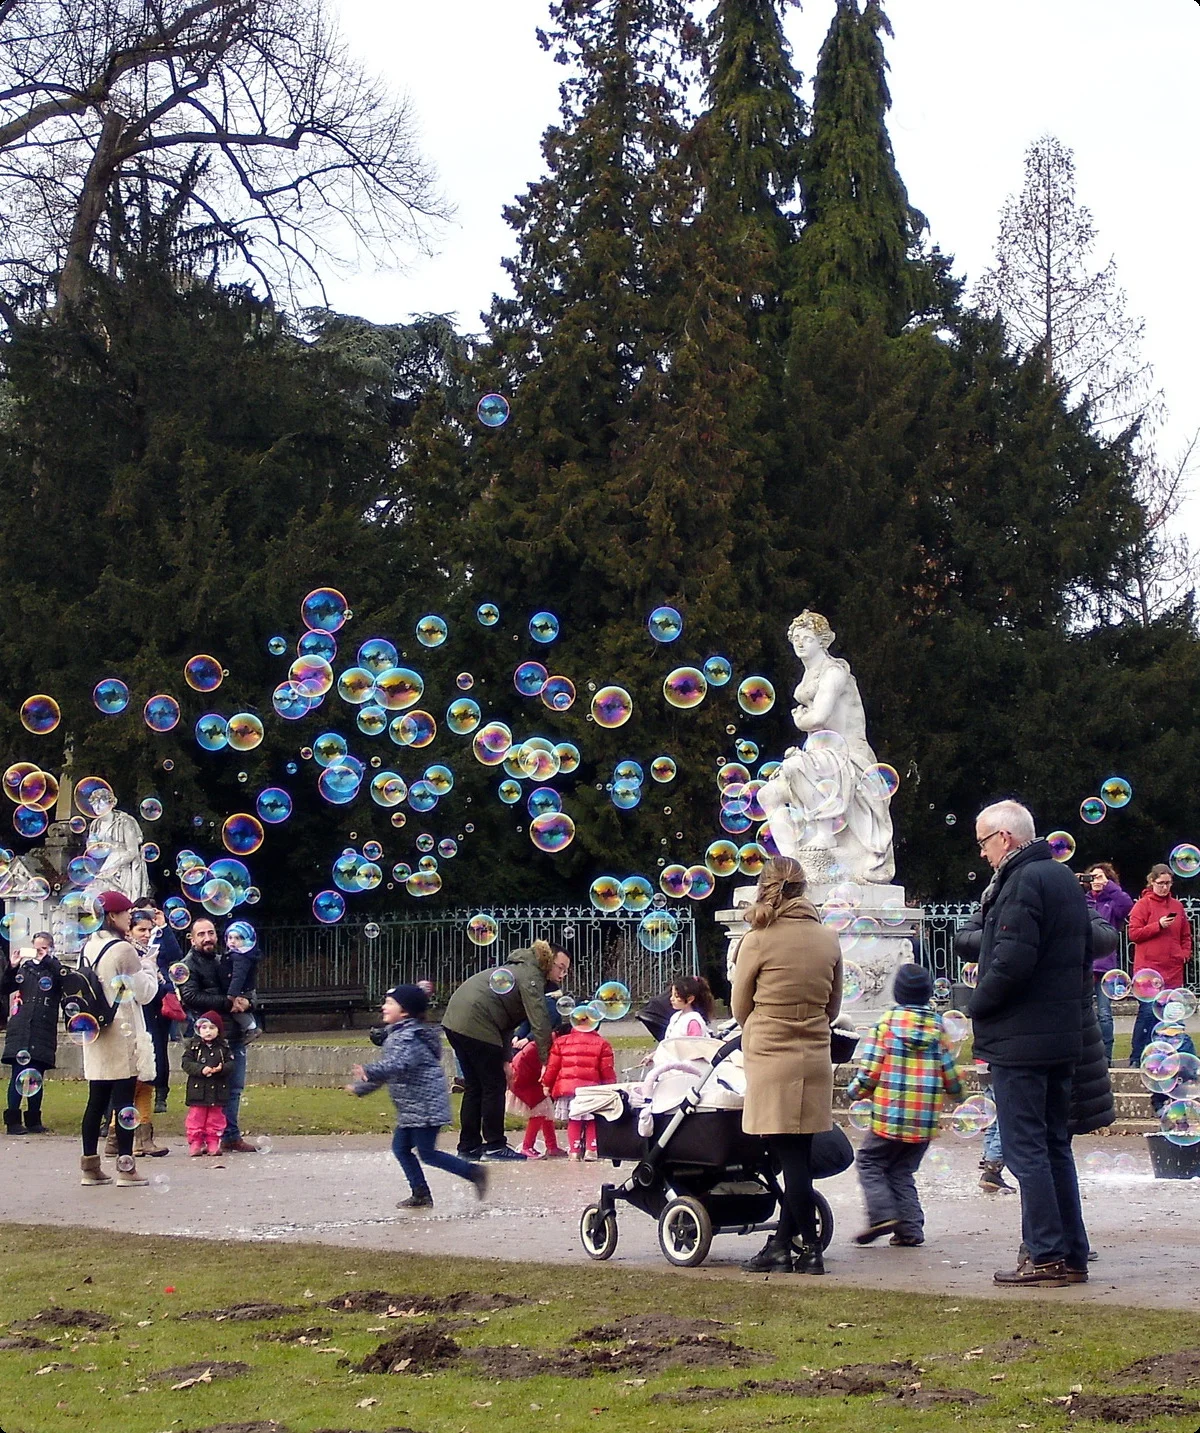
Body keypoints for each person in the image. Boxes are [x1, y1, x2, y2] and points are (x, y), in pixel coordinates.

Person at [969, 800, 1091, 1288]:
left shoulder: (1021, 881)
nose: (981, 853)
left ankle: (1043, 1253)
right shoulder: (1061, 877)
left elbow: (1012, 962)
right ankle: (1072, 1253)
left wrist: (977, 1002)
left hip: (1021, 1036)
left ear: (1005, 837)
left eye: (983, 842)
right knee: (1055, 1144)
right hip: (1060, 1032)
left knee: (1024, 1149)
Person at [730, 855, 842, 1275]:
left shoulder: (757, 940)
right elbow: (833, 1007)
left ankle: (809, 1248)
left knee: (787, 1156)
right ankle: (781, 1244)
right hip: (814, 1053)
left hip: (770, 1052)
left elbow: (741, 1006)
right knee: (800, 1151)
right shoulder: (828, 938)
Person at [758, 611, 895, 882]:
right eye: (796, 638)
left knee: (795, 765)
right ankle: (794, 870)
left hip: (847, 754)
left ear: (822, 641)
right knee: (767, 796)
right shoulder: (811, 674)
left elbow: (818, 717)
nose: (799, 643)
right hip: (821, 753)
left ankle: (825, 833)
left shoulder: (834, 672)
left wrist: (800, 719)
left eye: (807, 638)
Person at [847, 963, 963, 1247]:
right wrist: (958, 1093)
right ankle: (910, 1229)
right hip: (923, 1120)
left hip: (890, 1115)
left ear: (897, 993)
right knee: (901, 1170)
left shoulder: (886, 1026)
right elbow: (950, 1074)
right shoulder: (939, 1029)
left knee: (869, 1161)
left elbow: (871, 1070)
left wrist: (855, 1092)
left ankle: (881, 1215)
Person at [348, 984, 488, 1207]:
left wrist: (369, 1071)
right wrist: (361, 1087)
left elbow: (397, 1065)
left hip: (425, 1107)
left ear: (404, 1012)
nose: (384, 1007)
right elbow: (391, 1073)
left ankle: (473, 1172)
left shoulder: (407, 1037)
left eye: (389, 1003)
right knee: (401, 1148)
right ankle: (421, 1193)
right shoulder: (399, 1035)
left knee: (427, 1153)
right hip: (413, 1108)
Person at [442, 940, 567, 1161]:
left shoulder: (518, 969)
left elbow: (506, 1022)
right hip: (477, 1022)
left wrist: (506, 1059)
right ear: (548, 961)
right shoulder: (531, 976)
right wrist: (547, 1061)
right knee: (494, 1086)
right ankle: (494, 1146)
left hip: (455, 1022)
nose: (563, 974)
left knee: (475, 1086)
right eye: (561, 967)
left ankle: (468, 1146)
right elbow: (540, 1021)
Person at [78, 891, 158, 1188]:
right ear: (112, 916)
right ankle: (126, 1167)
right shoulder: (124, 949)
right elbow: (146, 993)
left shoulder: (90, 945)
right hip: (120, 1030)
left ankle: (90, 1167)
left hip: (95, 1030)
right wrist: (149, 964)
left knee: (96, 1100)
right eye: (127, 913)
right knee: (124, 1101)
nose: (131, 918)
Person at [177, 918, 257, 1153]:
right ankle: (204, 1138)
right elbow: (191, 997)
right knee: (207, 1091)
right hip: (205, 1038)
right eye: (201, 934)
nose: (207, 938)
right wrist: (228, 1002)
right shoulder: (188, 965)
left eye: (211, 933)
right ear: (192, 939)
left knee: (234, 1087)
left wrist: (247, 1003)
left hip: (233, 1034)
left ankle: (230, 1135)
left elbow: (247, 990)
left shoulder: (227, 960)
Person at [1127, 864, 1191, 1068]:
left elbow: (1186, 935)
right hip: (1148, 971)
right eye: (1161, 883)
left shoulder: (1177, 906)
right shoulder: (1142, 905)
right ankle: (1138, 1056)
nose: (1164, 887)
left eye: (1168, 883)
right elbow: (1134, 934)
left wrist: (1184, 953)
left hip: (1172, 969)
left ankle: (1172, 1057)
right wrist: (1158, 925)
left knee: (1172, 1015)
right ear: (1151, 882)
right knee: (1147, 1014)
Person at [2, 933, 62, 1135]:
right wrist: (12, 967)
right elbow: (4, 987)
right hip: (21, 1027)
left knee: (37, 1075)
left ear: (50, 948)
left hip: (43, 1028)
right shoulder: (24, 970)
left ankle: (34, 1119)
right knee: (18, 1075)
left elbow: (65, 980)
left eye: (43, 948)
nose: (39, 952)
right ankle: (12, 1120)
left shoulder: (55, 970)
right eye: (36, 948)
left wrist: (48, 959)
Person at [121, 910, 169, 1157]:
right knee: (131, 1083)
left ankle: (143, 1139)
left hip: (151, 1023)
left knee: (147, 1081)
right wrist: (150, 968)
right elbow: (143, 992)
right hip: (132, 1024)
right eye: (141, 930)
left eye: (149, 930)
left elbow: (165, 987)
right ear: (129, 931)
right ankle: (118, 1137)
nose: (147, 934)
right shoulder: (127, 955)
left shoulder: (149, 953)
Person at [132, 897, 185, 1112]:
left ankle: (161, 1092)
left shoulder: (159, 935)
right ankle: (139, 1091)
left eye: (151, 914)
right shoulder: (129, 940)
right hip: (137, 997)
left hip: (159, 997)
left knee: (159, 1045)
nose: (147, 920)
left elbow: (176, 957)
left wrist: (164, 926)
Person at [542, 1021, 617, 1160]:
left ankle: (574, 1151)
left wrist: (546, 1084)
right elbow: (607, 1070)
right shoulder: (602, 1043)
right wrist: (611, 1086)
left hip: (568, 1090)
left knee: (574, 1119)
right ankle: (592, 1149)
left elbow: (553, 1067)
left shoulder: (561, 1042)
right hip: (591, 1090)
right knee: (592, 1119)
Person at [1085, 864, 1133, 1064]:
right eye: (1093, 877)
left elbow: (1128, 906)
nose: (1096, 881)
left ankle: (1106, 1057)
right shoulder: (1082, 901)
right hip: (1084, 965)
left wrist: (1110, 887)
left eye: (1100, 877)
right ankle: (1086, 1057)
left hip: (1105, 967)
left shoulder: (1112, 902)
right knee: (1083, 1013)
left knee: (1104, 1014)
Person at [181, 1011, 233, 1156]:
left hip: (218, 1091)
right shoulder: (193, 1047)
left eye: (212, 1028)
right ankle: (196, 1142)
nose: (208, 1031)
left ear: (219, 1030)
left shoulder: (223, 1047)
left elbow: (231, 1064)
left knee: (216, 1118)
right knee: (196, 1117)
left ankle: (213, 1142)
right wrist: (201, 1069)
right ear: (198, 1030)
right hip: (198, 1091)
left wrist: (221, 1068)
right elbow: (186, 1063)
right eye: (204, 1028)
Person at [507, 1038, 563, 1158]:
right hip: (528, 1083)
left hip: (528, 1081)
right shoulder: (545, 1047)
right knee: (539, 1113)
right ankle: (527, 1146)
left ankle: (552, 1146)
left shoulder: (540, 1044)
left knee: (546, 1113)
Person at [663, 975, 714, 1040]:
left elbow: (694, 1045)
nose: (671, 999)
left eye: (676, 996)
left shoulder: (693, 1021)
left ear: (690, 999)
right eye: (672, 995)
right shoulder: (676, 1016)